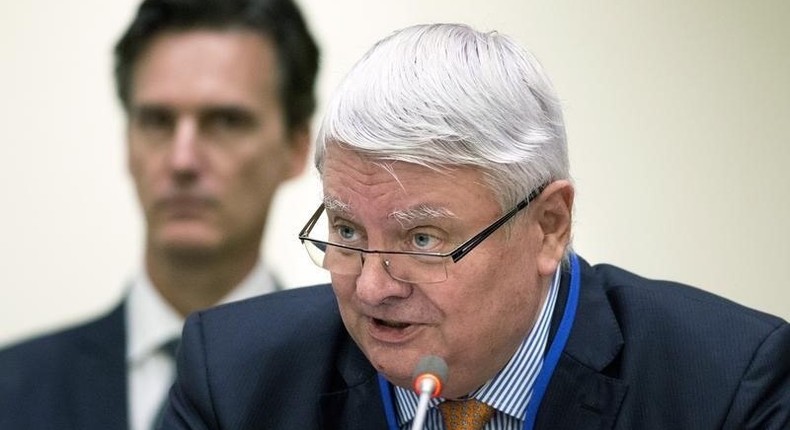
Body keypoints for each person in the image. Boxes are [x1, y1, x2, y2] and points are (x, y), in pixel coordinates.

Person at [161, 23, 789, 429]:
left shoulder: (728, 388)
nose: (373, 288)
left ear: (549, 225)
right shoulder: (234, 378)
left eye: (423, 240)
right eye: (348, 233)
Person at [0, 0, 319, 429]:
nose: (181, 160)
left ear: (297, 147)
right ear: (127, 142)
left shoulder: (358, 392)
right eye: (156, 121)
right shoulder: (12, 389)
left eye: (225, 121)